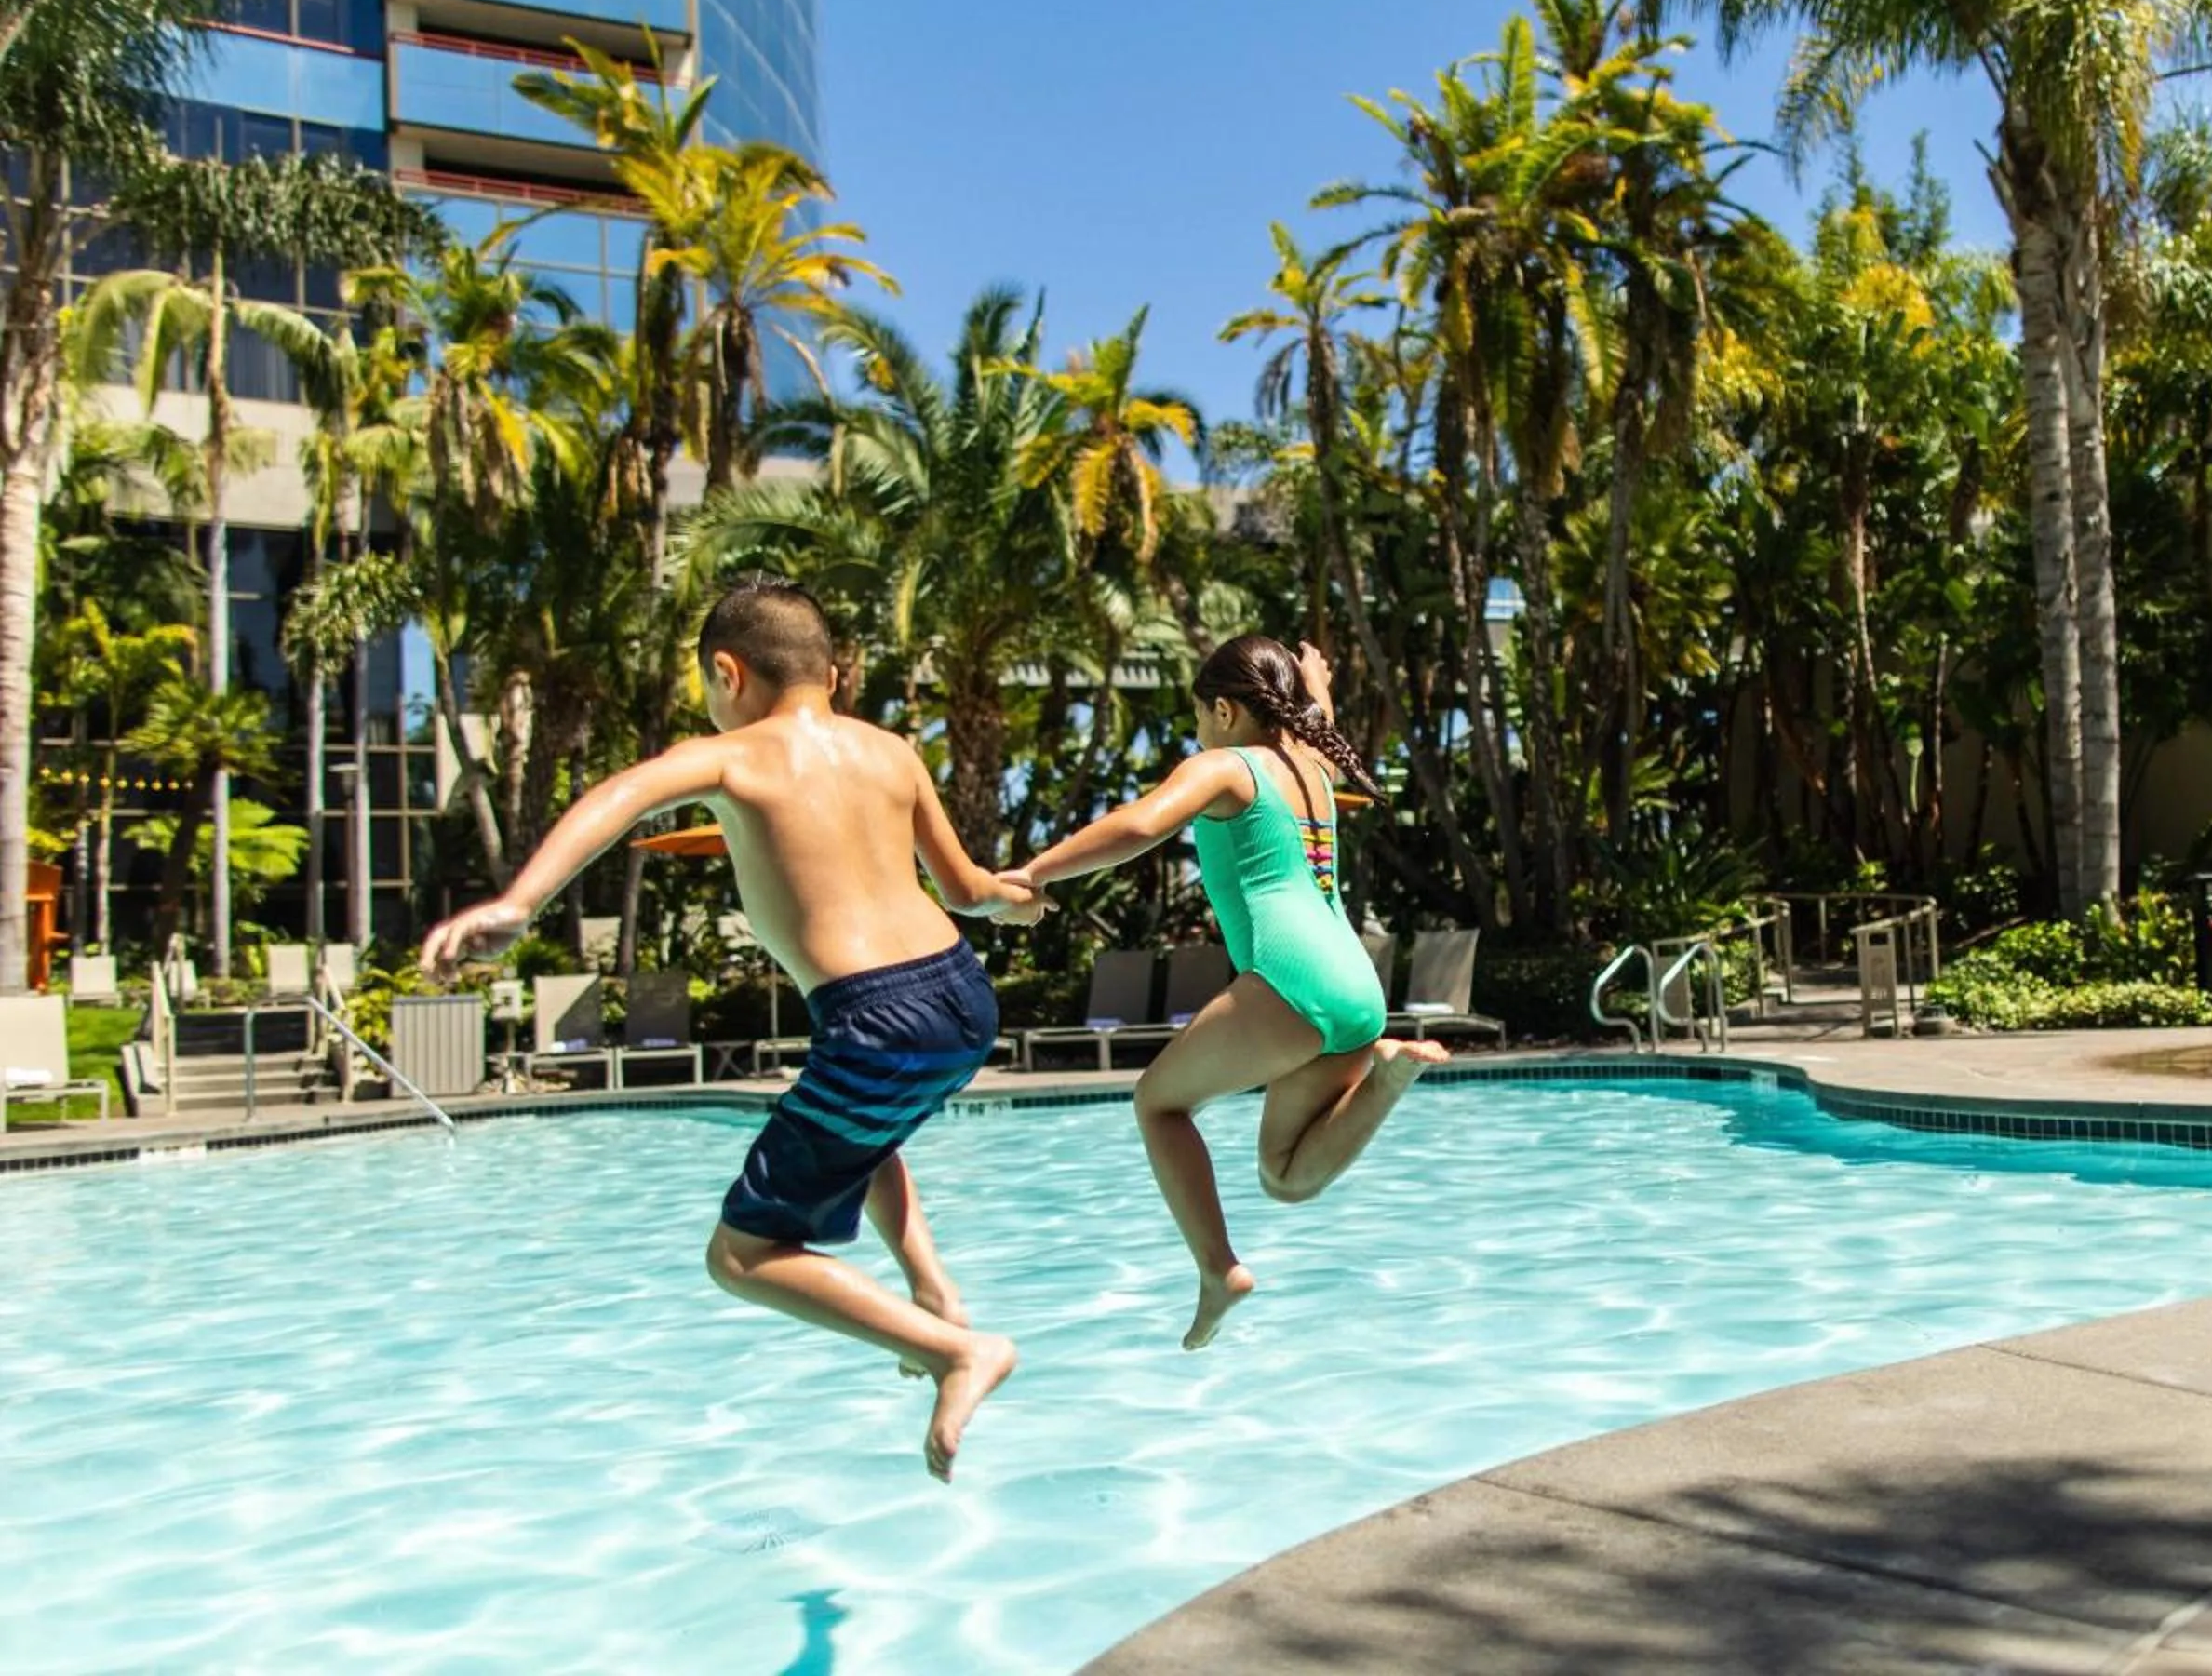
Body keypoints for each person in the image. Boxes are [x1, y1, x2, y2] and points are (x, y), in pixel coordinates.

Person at [422, 578, 1046, 1481]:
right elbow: (966, 888)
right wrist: (1014, 904)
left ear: (728, 672)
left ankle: (959, 1349)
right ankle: (933, 1286)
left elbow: (620, 798)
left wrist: (520, 901)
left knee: (741, 1254)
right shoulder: (892, 751)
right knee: (858, 1135)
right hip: (963, 997)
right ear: (831, 673)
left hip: (876, 1017)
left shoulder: (738, 756)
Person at [1008, 637, 1445, 1349]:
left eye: (1201, 718)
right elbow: (1319, 727)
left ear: (1223, 708)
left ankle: (1216, 1269)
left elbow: (1141, 824)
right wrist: (1315, 691)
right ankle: (1389, 1077)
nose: (1199, 735)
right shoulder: (1311, 764)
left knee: (1159, 1103)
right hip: (1358, 993)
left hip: (1291, 978)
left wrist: (1035, 874)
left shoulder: (1227, 768)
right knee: (1286, 1178)